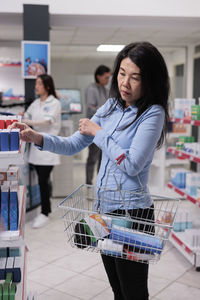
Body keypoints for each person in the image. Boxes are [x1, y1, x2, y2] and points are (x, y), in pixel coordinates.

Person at [10, 42, 169, 299]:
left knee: (134, 292)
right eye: (122, 73)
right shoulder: (111, 107)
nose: (125, 83)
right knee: (117, 287)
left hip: (133, 214)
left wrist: (99, 133)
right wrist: (37, 137)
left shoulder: (153, 114)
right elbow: (74, 143)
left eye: (135, 77)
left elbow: (132, 163)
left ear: (150, 80)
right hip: (105, 212)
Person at [22, 74, 61, 229]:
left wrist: (28, 123)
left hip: (48, 148)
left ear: (47, 85)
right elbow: (26, 116)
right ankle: (45, 210)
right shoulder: (35, 103)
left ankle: (45, 212)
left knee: (43, 181)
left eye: (39, 83)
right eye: (36, 84)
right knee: (40, 181)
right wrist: (26, 121)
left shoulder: (55, 103)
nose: (36, 86)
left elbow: (47, 122)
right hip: (36, 149)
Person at [85, 65, 111, 185]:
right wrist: (106, 113)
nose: (108, 80)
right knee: (92, 158)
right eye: (106, 77)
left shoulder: (106, 90)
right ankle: (89, 184)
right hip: (93, 129)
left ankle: (100, 183)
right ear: (98, 77)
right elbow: (91, 110)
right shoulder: (91, 89)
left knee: (103, 158)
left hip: (105, 129)